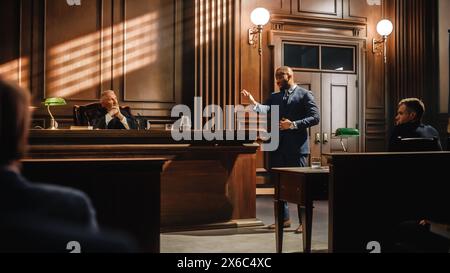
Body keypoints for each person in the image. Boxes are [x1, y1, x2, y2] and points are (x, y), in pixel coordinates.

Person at [0, 78, 131, 252]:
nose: (114, 102)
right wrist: (108, 116)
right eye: (110, 99)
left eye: (115, 99)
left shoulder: (124, 113)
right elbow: (94, 129)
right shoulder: (97, 114)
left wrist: (120, 116)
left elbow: (133, 129)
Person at [241, 66, 320, 233]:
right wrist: (254, 103)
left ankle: (304, 223)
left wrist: (293, 124)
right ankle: (283, 220)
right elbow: (266, 109)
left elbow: (315, 117)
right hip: (277, 148)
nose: (277, 80)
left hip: (297, 149)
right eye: (276, 77)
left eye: (280, 77)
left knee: (301, 187)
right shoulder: (275, 96)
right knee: (279, 186)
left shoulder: (305, 95)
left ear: (290, 76)